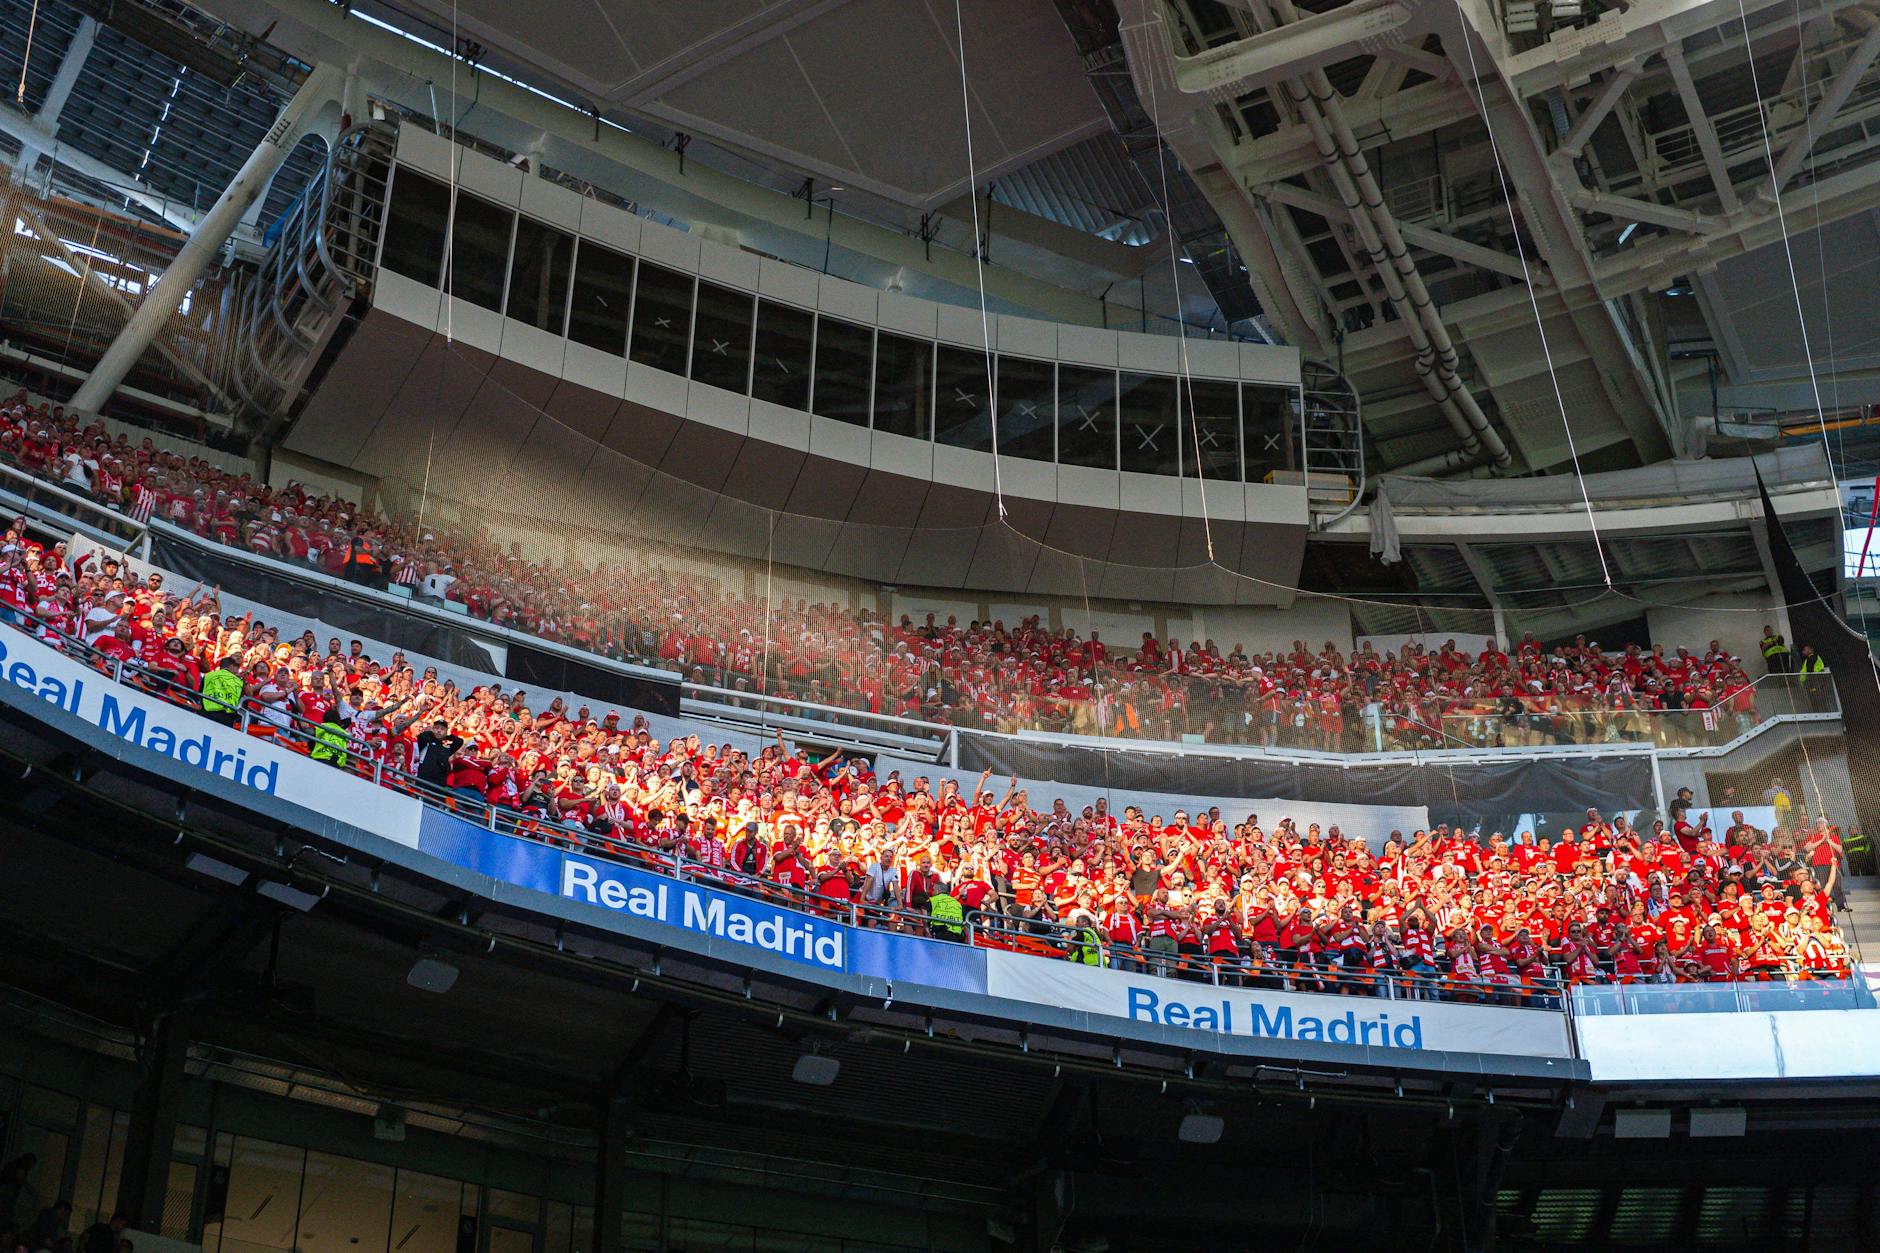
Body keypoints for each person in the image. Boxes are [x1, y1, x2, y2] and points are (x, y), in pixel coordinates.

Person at [198, 654, 244, 726]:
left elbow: (200, 693)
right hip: (227, 716)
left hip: (207, 711)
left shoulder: (208, 675)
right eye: (236, 667)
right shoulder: (239, 681)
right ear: (231, 666)